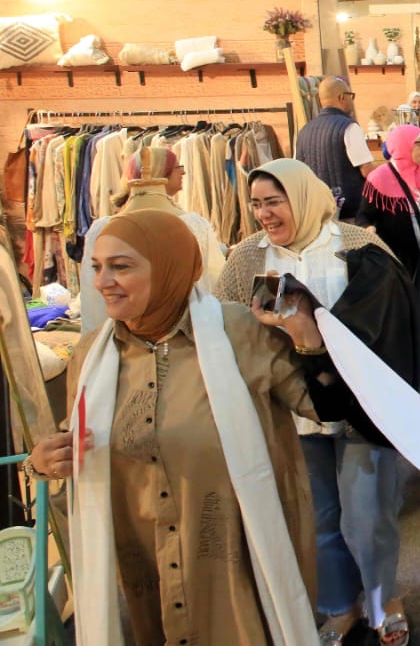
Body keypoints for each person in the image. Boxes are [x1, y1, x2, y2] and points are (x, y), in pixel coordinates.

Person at [26, 209, 348, 646]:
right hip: (145, 573)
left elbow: (327, 408)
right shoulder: (92, 358)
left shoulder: (240, 333)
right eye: (97, 267)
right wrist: (44, 461)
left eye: (121, 266)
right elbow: (78, 441)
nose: (102, 282)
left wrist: (307, 334)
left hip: (232, 569)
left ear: (170, 267)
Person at [215, 159, 415, 646]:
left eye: (274, 201)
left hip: (359, 408)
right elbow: (223, 325)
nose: (264, 213)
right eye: (256, 204)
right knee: (318, 517)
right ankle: (338, 607)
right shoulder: (247, 259)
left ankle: (383, 600)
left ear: (302, 198)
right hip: (294, 411)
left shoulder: (357, 245)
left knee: (368, 516)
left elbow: (393, 320)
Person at [79, 146, 225, 334]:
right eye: (177, 167)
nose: (183, 172)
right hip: (163, 332)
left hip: (184, 332)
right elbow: (213, 282)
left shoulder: (102, 228)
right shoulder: (193, 225)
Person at [358, 125, 420, 278]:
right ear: (404, 144)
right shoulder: (380, 178)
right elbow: (363, 217)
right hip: (402, 262)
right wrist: (369, 229)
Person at [294, 76, 376, 220]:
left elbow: (298, 171)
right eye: (351, 95)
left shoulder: (304, 131)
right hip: (348, 212)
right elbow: (367, 171)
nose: (352, 100)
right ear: (341, 97)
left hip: (316, 213)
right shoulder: (349, 127)